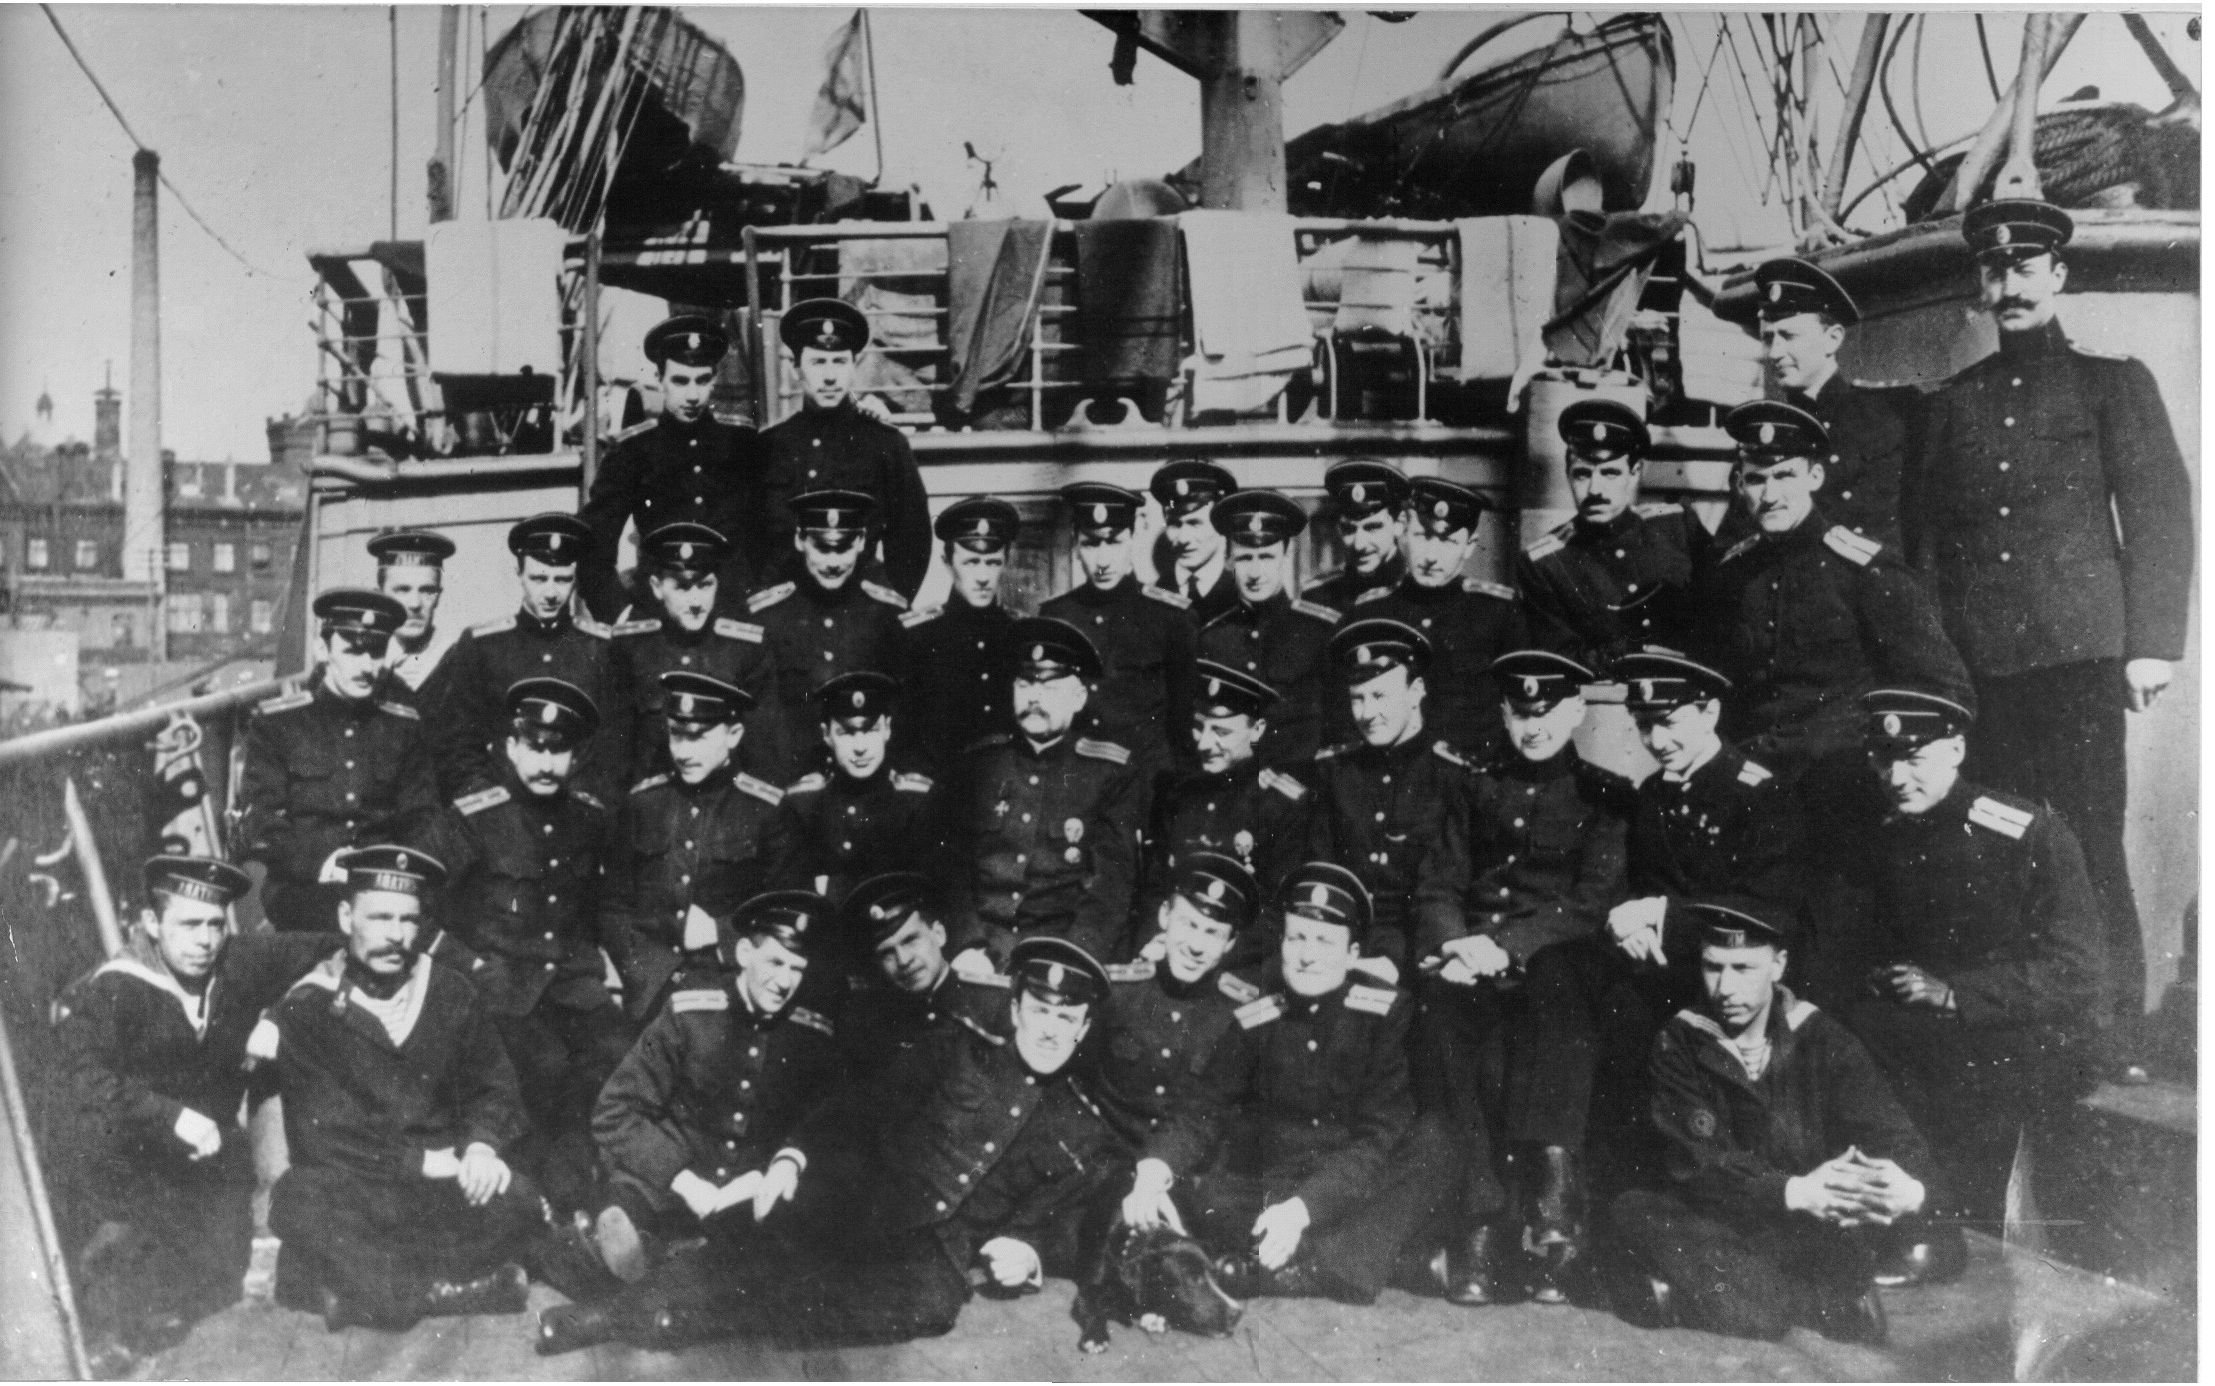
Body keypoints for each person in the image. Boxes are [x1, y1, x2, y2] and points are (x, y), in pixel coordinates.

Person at [1911, 198, 2194, 1073]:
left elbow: (2158, 512)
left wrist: (2151, 643)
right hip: (1981, 668)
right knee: (1998, 837)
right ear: (1979, 285)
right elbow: (1926, 548)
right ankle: (2019, 1024)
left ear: (2057, 275)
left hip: (2076, 659)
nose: (2010, 286)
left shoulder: (2111, 382)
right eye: (1994, 271)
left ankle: (2112, 1030)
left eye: (2025, 269)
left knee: (2086, 836)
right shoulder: (1950, 404)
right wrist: (1936, 667)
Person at [537, 936, 1125, 1354]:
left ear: (1082, 1029)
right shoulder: (955, 1051)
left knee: (898, 1309)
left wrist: (1028, 1251)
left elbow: (1052, 1219)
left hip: (937, 1260)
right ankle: (609, 1315)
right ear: (1017, 1009)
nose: (1049, 1030)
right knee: (770, 1248)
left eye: (1065, 1018)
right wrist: (794, 1156)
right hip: (872, 1201)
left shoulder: (1080, 1125)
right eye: (1039, 1010)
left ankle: (678, 1305)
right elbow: (857, 1106)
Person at [1507, 650, 1804, 1278]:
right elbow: (1636, 885)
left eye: (1668, 723)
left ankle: (1615, 1210)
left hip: (1718, 972)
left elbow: (1766, 910)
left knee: (1624, 1020)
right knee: (1556, 967)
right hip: (1652, 958)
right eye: (1644, 725)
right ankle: (1556, 1170)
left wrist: (1664, 919)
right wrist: (1627, 920)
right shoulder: (1652, 793)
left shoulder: (1759, 791)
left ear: (1710, 713)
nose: (1656, 740)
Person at [1121, 863, 1461, 1306]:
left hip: (1350, 1180)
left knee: (1435, 1145)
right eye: (1297, 938)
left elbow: (1377, 1139)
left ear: (1353, 954)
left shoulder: (1385, 1013)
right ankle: (1379, 1261)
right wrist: (1154, 1170)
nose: (1306, 955)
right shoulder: (1259, 1008)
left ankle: (1312, 1269)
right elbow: (1204, 1108)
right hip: (1275, 1179)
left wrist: (1303, 1210)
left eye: (1324, 942)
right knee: (1205, 1198)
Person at [1839, 687, 2101, 1252]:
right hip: (1920, 1037)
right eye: (1883, 759)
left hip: (2009, 1039)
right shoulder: (1884, 834)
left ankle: (1946, 1245)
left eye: (1914, 758)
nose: (1896, 777)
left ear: (1955, 750)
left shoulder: (2024, 833)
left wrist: (1955, 992)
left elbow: (2077, 971)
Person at [51, 857, 333, 1376]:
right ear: (152, 924)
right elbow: (77, 1077)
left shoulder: (236, 962)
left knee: (219, 1297)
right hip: (131, 1179)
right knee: (132, 1319)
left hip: (210, 1178)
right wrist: (170, 1117)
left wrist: (282, 1017)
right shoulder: (116, 988)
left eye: (215, 924)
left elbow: (335, 947)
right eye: (188, 924)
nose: (205, 940)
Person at [1610, 903, 1934, 1345]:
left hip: (1803, 1222)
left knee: (1765, 1279)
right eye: (1713, 967)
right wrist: (1794, 1191)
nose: (1725, 988)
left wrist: (1904, 1186)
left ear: (1778, 966)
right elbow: (1698, 1165)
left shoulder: (1823, 1037)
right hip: (1720, 1212)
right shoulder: (1679, 1041)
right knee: (1635, 1209)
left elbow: (1895, 1136)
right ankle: (1817, 1301)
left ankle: (1707, 1297)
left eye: (1743, 968)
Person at [263, 847, 553, 1331]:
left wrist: (481, 1147)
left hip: (438, 1189)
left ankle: (350, 1288)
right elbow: (325, 1136)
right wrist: (419, 1162)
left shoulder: (450, 992)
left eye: (408, 920)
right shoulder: (308, 1009)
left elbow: (494, 1085)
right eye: (380, 918)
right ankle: (443, 1290)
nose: (396, 935)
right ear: (346, 917)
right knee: (300, 1200)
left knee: (518, 1199)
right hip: (361, 1185)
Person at [1417, 651, 1631, 1305]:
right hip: (1474, 956)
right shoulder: (1475, 785)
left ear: (1575, 711)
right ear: (1504, 714)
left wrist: (1505, 948)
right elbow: (1440, 884)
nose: (1532, 727)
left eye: (1546, 712)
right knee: (1444, 1009)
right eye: (1519, 713)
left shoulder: (1604, 793)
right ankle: (1481, 1222)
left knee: (1554, 984)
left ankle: (1552, 1191)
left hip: (1556, 956)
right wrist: (1456, 945)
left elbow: (1590, 902)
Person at [413, 677, 629, 1214]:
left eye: (560, 751)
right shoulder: (475, 818)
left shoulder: (590, 819)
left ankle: (591, 1203)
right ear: (511, 747)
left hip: (573, 988)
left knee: (616, 1057)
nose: (546, 763)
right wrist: (469, 964)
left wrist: (605, 969)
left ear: (576, 757)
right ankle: (538, 1203)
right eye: (535, 747)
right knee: (541, 1067)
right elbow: (414, 904)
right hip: (499, 990)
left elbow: (602, 907)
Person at [1692, 400, 1969, 780]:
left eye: (1785, 475)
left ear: (1815, 476)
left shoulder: (1865, 571)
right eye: (1756, 480)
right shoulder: (1733, 574)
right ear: (1740, 484)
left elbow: (1947, 689)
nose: (1770, 494)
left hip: (1843, 776)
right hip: (1751, 774)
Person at [586, 890, 846, 1283]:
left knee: (769, 1261)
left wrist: (788, 1160)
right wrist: (683, 1179)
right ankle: (626, 1254)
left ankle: (658, 1274)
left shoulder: (809, 1034)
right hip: (668, 1186)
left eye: (797, 969)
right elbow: (613, 1112)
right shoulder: (688, 1014)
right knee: (624, 1214)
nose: (784, 982)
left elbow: (824, 1118)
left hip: (745, 1194)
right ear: (744, 953)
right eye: (775, 962)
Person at [944, 617, 1147, 966]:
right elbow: (950, 868)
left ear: (1079, 698)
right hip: (980, 954)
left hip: (1060, 954)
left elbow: (1110, 889)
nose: (1035, 698)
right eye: (1025, 684)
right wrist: (967, 945)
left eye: (1051, 687)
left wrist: (1072, 959)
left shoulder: (1109, 773)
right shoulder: (979, 762)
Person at [235, 588, 438, 932]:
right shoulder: (278, 724)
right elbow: (261, 821)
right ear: (322, 649)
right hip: (303, 897)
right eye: (353, 651)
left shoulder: (403, 727)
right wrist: (322, 863)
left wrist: (392, 876)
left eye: (376, 652)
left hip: (383, 896)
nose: (366, 666)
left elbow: (422, 819)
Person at [599, 672, 786, 1023]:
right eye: (676, 735)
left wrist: (721, 934)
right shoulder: (643, 804)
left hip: (729, 989)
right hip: (651, 995)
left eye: (698, 737)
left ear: (734, 735)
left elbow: (784, 913)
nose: (683, 752)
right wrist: (638, 970)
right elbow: (613, 905)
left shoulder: (766, 811)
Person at [1306, 618, 1469, 977]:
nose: (1367, 714)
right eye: (1357, 698)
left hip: (1416, 952)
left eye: (1380, 696)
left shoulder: (1451, 777)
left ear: (1416, 691)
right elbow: (1321, 870)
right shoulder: (1335, 772)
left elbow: (1444, 890)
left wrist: (1396, 960)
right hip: (1338, 941)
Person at [432, 513, 628, 803]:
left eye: (562, 580)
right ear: (519, 573)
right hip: (501, 811)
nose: (551, 593)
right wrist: (489, 808)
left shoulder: (601, 648)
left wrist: (586, 808)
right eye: (539, 578)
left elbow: (614, 747)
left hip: (579, 812)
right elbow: (458, 745)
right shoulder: (483, 646)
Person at [579, 314, 762, 621]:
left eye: (702, 380)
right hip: (658, 617)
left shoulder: (741, 442)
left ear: (715, 379)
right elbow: (593, 548)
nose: (692, 395)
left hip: (731, 616)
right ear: (659, 378)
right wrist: (623, 617)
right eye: (680, 381)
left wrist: (758, 608)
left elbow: (768, 537)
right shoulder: (634, 449)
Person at [758, 298, 933, 600]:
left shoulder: (886, 444)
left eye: (839, 362)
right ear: (796, 368)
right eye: (818, 362)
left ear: (854, 366)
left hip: (861, 613)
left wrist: (887, 611)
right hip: (787, 614)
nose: (829, 376)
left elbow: (911, 542)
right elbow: (753, 542)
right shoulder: (769, 446)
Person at [1091, 852, 1265, 1148]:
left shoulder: (1241, 1016)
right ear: (1165, 916)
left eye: (1213, 933)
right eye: (1188, 924)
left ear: (1230, 943)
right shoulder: (1117, 991)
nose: (1196, 946)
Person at [1515, 401, 1705, 670]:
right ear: (1568, 476)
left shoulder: (1677, 526)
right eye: (1582, 474)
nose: (1595, 489)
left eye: (1610, 473)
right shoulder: (1545, 564)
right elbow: (1558, 659)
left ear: (1634, 473)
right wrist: (1633, 653)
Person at [1349, 475, 1526, 758]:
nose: (1431, 555)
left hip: (1473, 771)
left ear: (1470, 546)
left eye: (1447, 541)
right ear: (1402, 532)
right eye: (1423, 536)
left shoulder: (1499, 613)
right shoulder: (1369, 613)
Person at [1740, 256, 1910, 548]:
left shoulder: (1884, 417)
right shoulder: (1765, 426)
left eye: (1789, 336)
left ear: (1832, 339)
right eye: (1768, 338)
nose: (1775, 352)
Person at [743, 489, 911, 786]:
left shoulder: (887, 615)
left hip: (866, 785)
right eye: (822, 548)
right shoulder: (768, 617)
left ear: (861, 541)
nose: (833, 562)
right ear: (800, 540)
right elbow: (761, 721)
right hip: (791, 784)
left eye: (843, 548)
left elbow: (903, 713)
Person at [1138, 661, 1310, 938]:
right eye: (1199, 727)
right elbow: (1154, 892)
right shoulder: (1177, 793)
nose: (1204, 744)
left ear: (1257, 730)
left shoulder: (1280, 805)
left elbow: (1274, 912)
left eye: (1221, 732)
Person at [1039, 480, 1198, 771]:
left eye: (1114, 542)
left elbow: (1183, 726)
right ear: (1075, 544)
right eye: (1091, 543)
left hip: (1146, 780)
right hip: (1076, 778)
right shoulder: (1056, 616)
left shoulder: (1170, 617)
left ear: (1132, 539)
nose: (1102, 560)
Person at [764, 670, 941, 915]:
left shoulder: (916, 800)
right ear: (826, 735)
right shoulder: (802, 804)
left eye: (870, 730)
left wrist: (832, 886)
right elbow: (787, 899)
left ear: (887, 729)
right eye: (846, 733)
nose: (860, 747)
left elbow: (935, 893)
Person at [607, 522, 769, 785]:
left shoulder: (745, 650)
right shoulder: (631, 648)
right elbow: (613, 752)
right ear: (657, 587)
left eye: (705, 585)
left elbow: (764, 753)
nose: (696, 602)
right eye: (682, 587)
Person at [1198, 489, 1340, 767]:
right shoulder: (1212, 638)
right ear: (1229, 561)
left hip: (1301, 783)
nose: (1255, 573)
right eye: (1244, 558)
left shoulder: (1319, 632)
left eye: (1266, 557)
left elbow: (1337, 730)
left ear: (1286, 555)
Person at [835, 871, 1012, 1075]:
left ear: (939, 934)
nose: (903, 960)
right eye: (887, 953)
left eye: (910, 940)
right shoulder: (875, 1029)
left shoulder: (994, 1004)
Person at [896, 497, 1021, 774]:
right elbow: (903, 736)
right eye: (971, 562)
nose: (983, 576)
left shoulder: (1020, 635)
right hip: (938, 786)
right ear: (947, 562)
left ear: (1006, 562)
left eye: (992, 562)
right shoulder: (917, 637)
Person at [1303, 458, 1409, 610]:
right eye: (1349, 529)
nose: (1359, 545)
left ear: (1399, 524)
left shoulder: (1417, 592)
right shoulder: (1317, 596)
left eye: (1372, 528)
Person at [368, 528, 458, 701]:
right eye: (403, 590)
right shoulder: (362, 662)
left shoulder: (459, 663)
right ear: (380, 597)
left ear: (438, 597)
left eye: (427, 591)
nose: (415, 604)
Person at [1150, 457, 1240, 623]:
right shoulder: (1150, 601)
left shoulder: (1243, 595)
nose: (1183, 538)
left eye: (1194, 523)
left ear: (1221, 523)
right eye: (1174, 524)